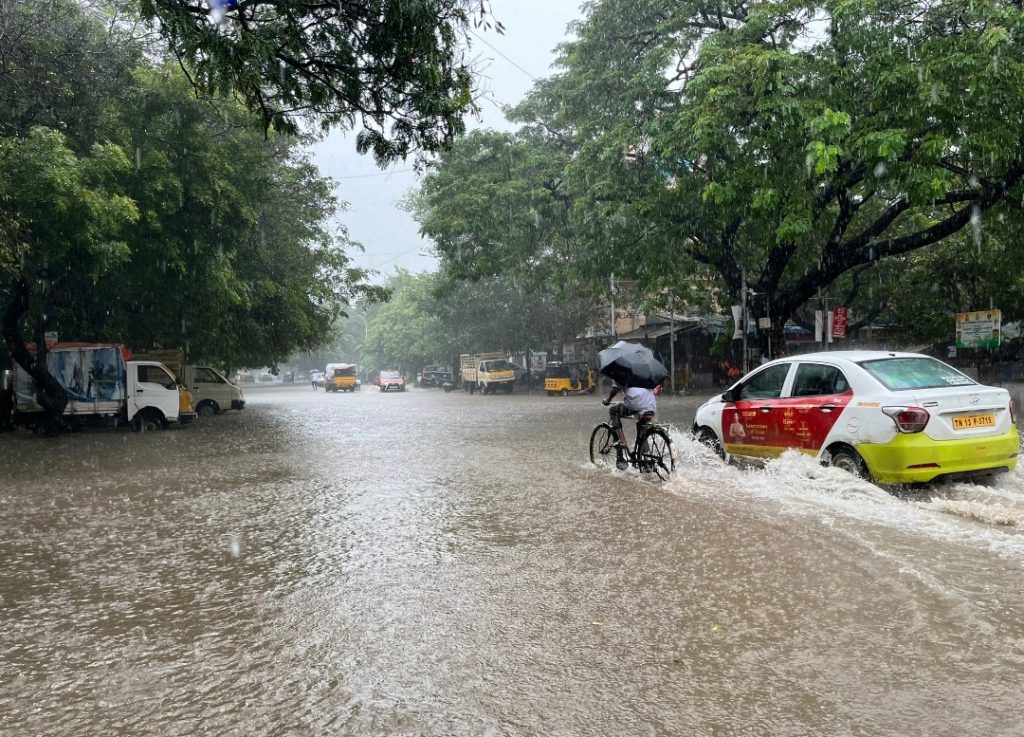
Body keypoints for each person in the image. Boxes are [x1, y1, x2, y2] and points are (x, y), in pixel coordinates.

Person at [602, 380, 658, 466]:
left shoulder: (622, 373)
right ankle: (646, 459)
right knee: (642, 432)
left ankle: (622, 441)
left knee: (613, 410)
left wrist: (608, 400)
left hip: (635, 404)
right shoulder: (644, 374)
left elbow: (615, 390)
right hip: (650, 405)